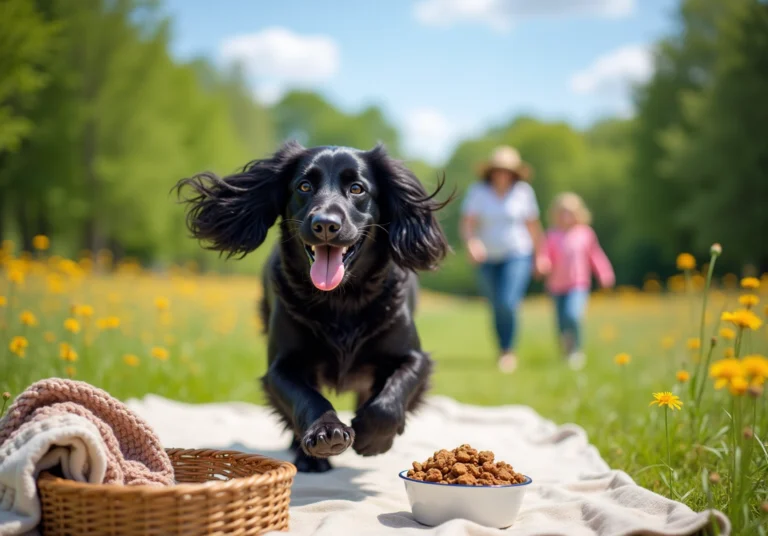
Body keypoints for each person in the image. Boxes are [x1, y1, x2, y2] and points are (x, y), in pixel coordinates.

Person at [460, 146, 550, 373]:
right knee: (496, 306)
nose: (502, 174)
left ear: (514, 173)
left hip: (517, 254)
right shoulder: (478, 192)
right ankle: (502, 349)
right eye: (498, 170)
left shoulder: (523, 192)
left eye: (507, 170)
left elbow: (533, 226)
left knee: (508, 302)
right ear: (491, 172)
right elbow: (468, 223)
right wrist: (472, 243)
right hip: (486, 257)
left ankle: (508, 352)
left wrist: (541, 255)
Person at [544, 192, 615, 370]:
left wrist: (605, 273)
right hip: (556, 286)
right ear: (555, 214)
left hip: (578, 284)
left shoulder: (585, 234)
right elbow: (545, 256)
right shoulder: (552, 235)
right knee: (561, 322)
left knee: (573, 316)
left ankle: (576, 351)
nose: (566, 216)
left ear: (578, 214)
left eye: (570, 212)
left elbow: (595, 255)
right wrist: (542, 264)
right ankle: (565, 351)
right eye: (562, 212)